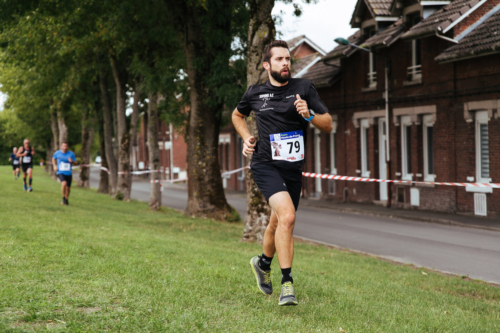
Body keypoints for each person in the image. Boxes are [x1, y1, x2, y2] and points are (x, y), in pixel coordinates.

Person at [232, 40, 333, 306]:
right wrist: (246, 138)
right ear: (267, 65)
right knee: (288, 217)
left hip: (293, 169)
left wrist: (309, 115)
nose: (285, 63)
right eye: (279, 59)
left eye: (288, 59)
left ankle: (262, 263)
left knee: (279, 222)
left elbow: (329, 124)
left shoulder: (304, 88)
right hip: (265, 165)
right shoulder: (255, 93)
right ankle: (287, 284)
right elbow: (237, 115)